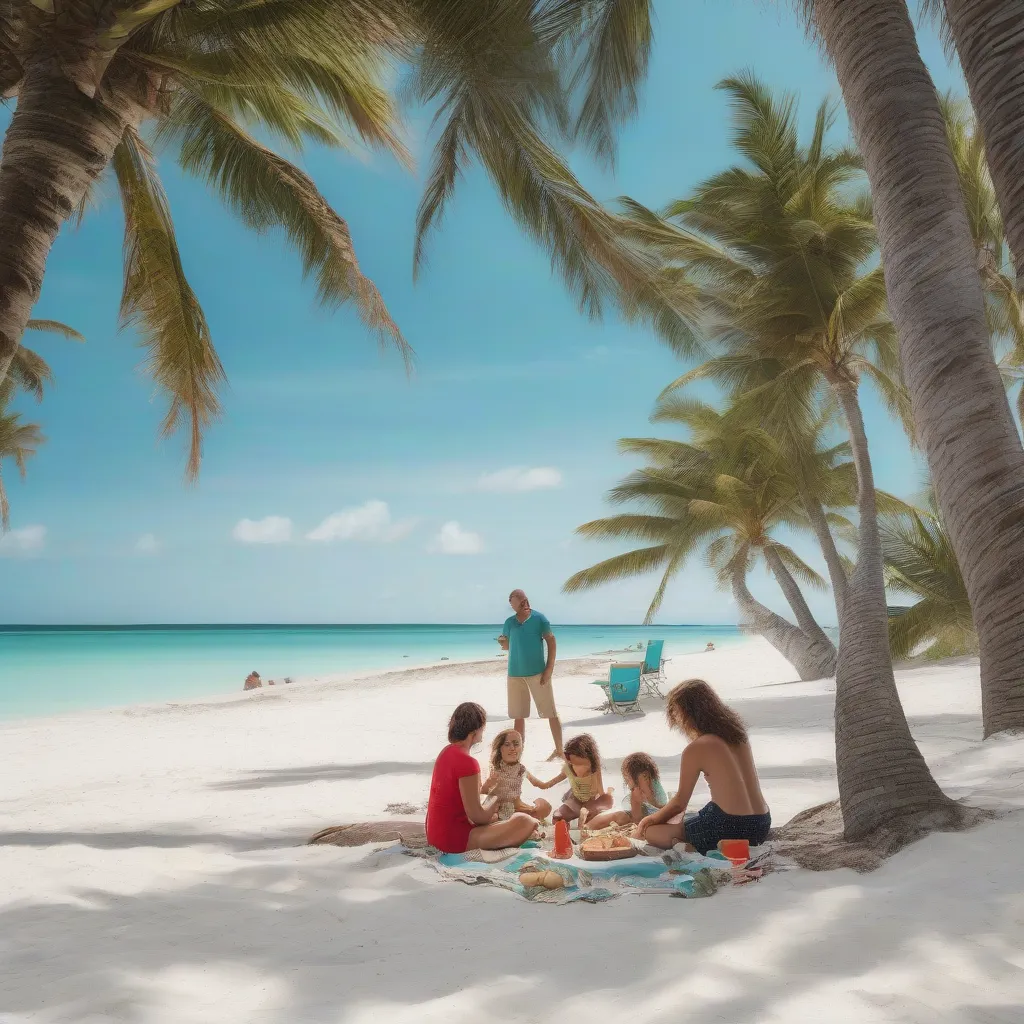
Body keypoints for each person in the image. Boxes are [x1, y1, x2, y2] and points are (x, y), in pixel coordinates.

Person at [635, 679, 771, 854]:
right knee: (696, 816)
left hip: (730, 829)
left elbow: (679, 803)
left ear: (687, 713)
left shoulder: (698, 747)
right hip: (761, 823)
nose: (675, 718)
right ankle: (684, 841)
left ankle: (685, 847)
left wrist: (650, 820)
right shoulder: (738, 736)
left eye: (675, 712)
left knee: (652, 833)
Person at [425, 702, 538, 853]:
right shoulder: (468, 763)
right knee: (525, 822)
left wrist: (489, 796)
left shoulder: (446, 752)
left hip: (434, 834)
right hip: (454, 840)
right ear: (475, 731)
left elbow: (464, 800)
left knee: (500, 818)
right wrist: (495, 798)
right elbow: (478, 817)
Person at [498, 589, 563, 759]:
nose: (511, 605)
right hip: (514, 674)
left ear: (522, 601)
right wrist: (503, 642)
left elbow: (551, 641)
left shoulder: (540, 619)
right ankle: (517, 754)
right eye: (510, 601)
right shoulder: (509, 622)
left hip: (537, 673)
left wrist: (549, 669)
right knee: (518, 716)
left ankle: (560, 750)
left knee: (551, 712)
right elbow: (507, 645)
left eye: (512, 601)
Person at [534, 733, 613, 823]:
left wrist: (600, 806)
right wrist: (540, 780)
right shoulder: (568, 767)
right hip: (575, 799)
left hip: (591, 800)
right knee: (557, 818)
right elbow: (550, 783)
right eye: (573, 763)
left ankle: (609, 793)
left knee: (589, 820)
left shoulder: (594, 769)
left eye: (581, 764)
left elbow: (601, 793)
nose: (577, 767)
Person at [481, 729, 552, 822]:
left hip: (515, 808)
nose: (512, 748)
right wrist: (489, 782)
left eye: (516, 744)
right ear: (500, 749)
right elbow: (482, 794)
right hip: (496, 809)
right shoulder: (495, 769)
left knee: (545, 808)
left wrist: (563, 775)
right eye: (507, 744)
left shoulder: (521, 769)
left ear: (521, 747)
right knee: (492, 817)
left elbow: (541, 784)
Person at [584, 751, 668, 831]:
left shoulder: (649, 789)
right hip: (644, 816)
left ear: (645, 775)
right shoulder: (648, 787)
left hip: (644, 819)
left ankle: (588, 827)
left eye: (627, 779)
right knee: (616, 814)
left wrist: (636, 803)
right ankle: (588, 826)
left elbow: (637, 820)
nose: (627, 784)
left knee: (618, 816)